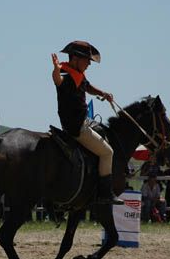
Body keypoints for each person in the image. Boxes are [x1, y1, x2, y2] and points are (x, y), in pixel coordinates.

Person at [51, 41, 122, 204]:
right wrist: (55, 70)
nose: (89, 63)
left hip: (81, 122)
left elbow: (87, 87)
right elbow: (58, 80)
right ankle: (105, 193)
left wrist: (103, 93)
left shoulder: (77, 74)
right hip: (77, 127)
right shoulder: (65, 74)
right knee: (107, 153)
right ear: (75, 58)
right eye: (87, 59)